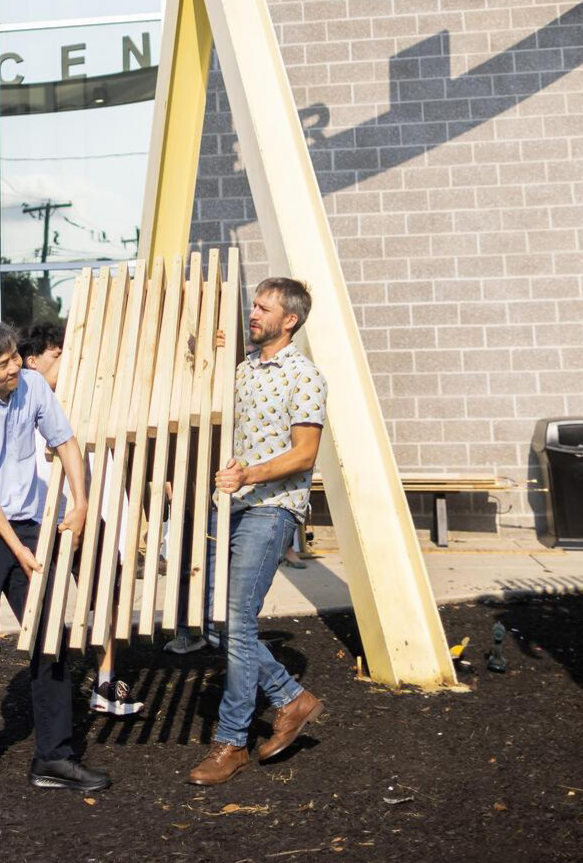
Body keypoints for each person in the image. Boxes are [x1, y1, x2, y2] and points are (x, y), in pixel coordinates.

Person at [0, 318, 110, 792]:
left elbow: (66, 442)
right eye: (3, 363)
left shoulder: (32, 384)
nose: (16, 365)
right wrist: (19, 551)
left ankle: (53, 757)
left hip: (28, 522)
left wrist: (80, 504)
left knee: (47, 633)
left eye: (16, 355)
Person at [187, 278, 328, 786]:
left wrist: (249, 474)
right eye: (254, 304)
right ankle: (292, 698)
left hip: (271, 508)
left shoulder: (305, 375)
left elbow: (304, 454)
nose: (253, 312)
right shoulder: (244, 369)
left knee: (236, 618)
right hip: (229, 504)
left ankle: (231, 743)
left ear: (289, 320)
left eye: (263, 307)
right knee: (212, 621)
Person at [21, 318, 144, 719]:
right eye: (59, 355)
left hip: (92, 511)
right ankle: (52, 688)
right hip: (45, 517)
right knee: (45, 603)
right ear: (33, 361)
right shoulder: (21, 400)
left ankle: (106, 681)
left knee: (105, 595)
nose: (69, 362)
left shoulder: (91, 397)